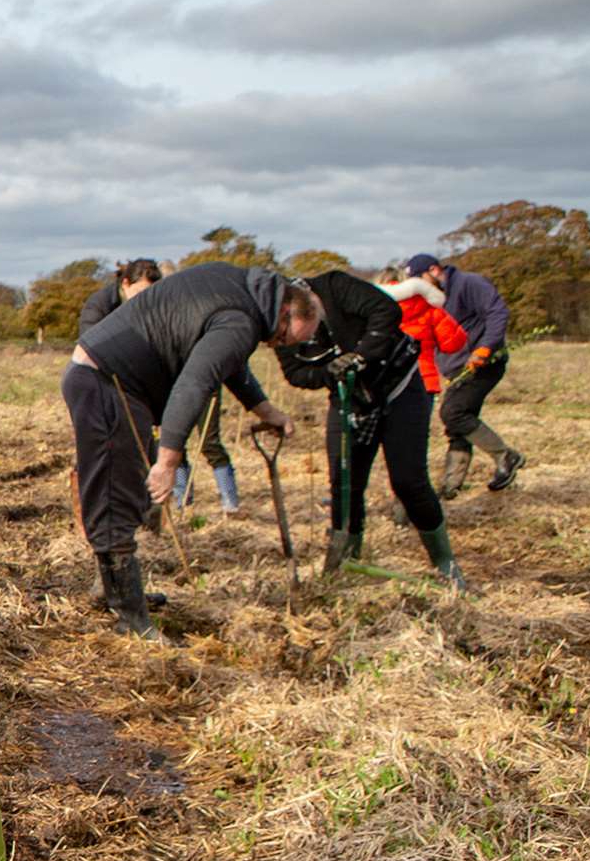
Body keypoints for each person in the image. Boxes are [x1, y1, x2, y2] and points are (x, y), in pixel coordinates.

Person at [67, 264, 315, 635]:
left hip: (112, 378)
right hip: (106, 382)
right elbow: (195, 383)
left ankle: (112, 590)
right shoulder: (241, 319)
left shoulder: (241, 290)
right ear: (286, 311)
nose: (274, 345)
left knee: (127, 492)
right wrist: (168, 460)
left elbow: (228, 363)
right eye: (282, 337)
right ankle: (131, 622)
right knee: (114, 497)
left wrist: (266, 411)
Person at [275, 269, 468, 587]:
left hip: (399, 386)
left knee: (408, 481)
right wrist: (329, 372)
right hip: (350, 397)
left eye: (288, 333)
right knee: (344, 483)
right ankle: (343, 562)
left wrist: (361, 356)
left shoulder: (335, 286)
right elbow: (295, 373)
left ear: (298, 309)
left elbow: (387, 311)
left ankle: (445, 562)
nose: (288, 342)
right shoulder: (278, 325)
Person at [80, 260, 239, 511]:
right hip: (168, 384)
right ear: (125, 284)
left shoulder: (187, 310)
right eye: (142, 291)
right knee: (173, 443)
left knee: (209, 442)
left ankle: (230, 501)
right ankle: (181, 499)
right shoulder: (102, 306)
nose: (146, 298)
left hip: (202, 383)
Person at [404, 251, 523, 493]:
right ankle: (451, 485)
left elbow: (497, 312)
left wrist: (485, 348)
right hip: (456, 369)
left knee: (453, 413)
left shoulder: (469, 283)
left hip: (482, 364)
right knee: (458, 424)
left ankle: (505, 456)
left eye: (419, 280)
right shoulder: (432, 297)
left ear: (434, 270)